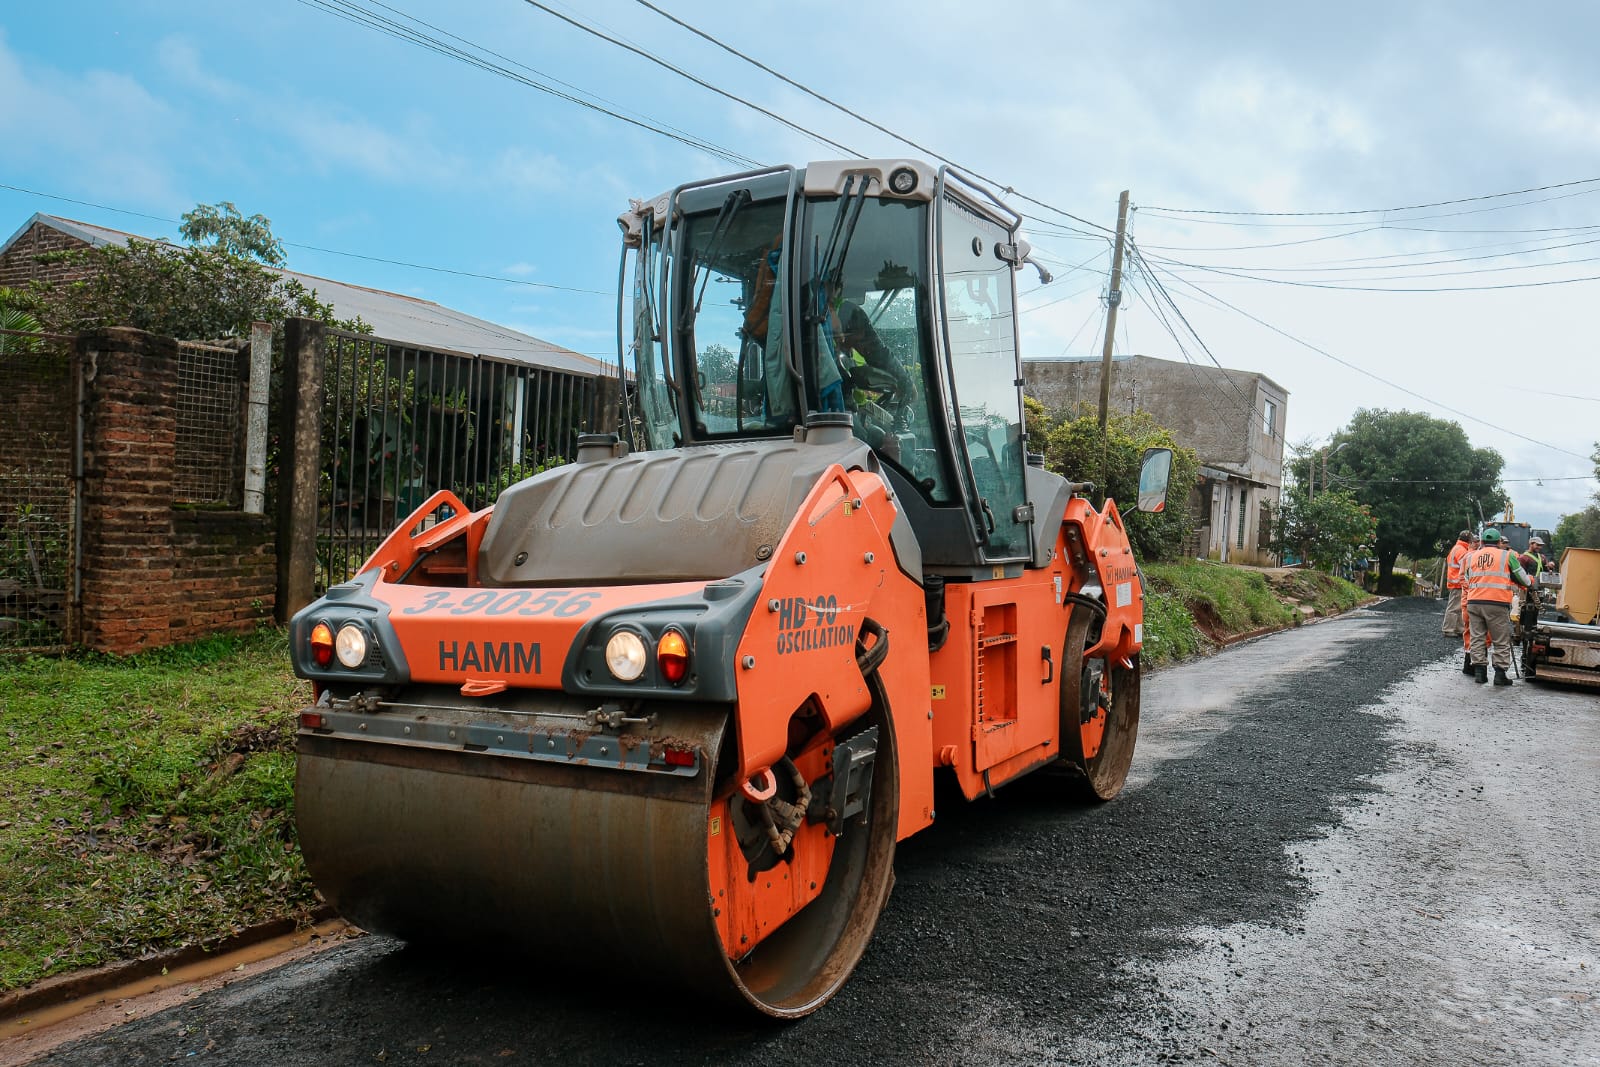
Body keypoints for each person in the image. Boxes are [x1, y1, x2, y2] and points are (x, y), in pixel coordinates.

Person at [1461, 527, 1532, 686]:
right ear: (1500, 542)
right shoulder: (1507, 556)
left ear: (1483, 542)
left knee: (1477, 638)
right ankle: (1500, 674)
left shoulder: (1472, 557)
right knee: (1501, 639)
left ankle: (1480, 672)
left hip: (1474, 602)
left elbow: (1467, 577)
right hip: (1496, 603)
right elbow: (1524, 580)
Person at [1442, 529, 1473, 645]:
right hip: (1458, 583)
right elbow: (1466, 566)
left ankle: (1459, 628)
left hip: (1456, 582)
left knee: (1459, 607)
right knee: (1454, 608)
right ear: (1469, 540)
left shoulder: (1458, 548)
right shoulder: (1461, 550)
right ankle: (1449, 629)